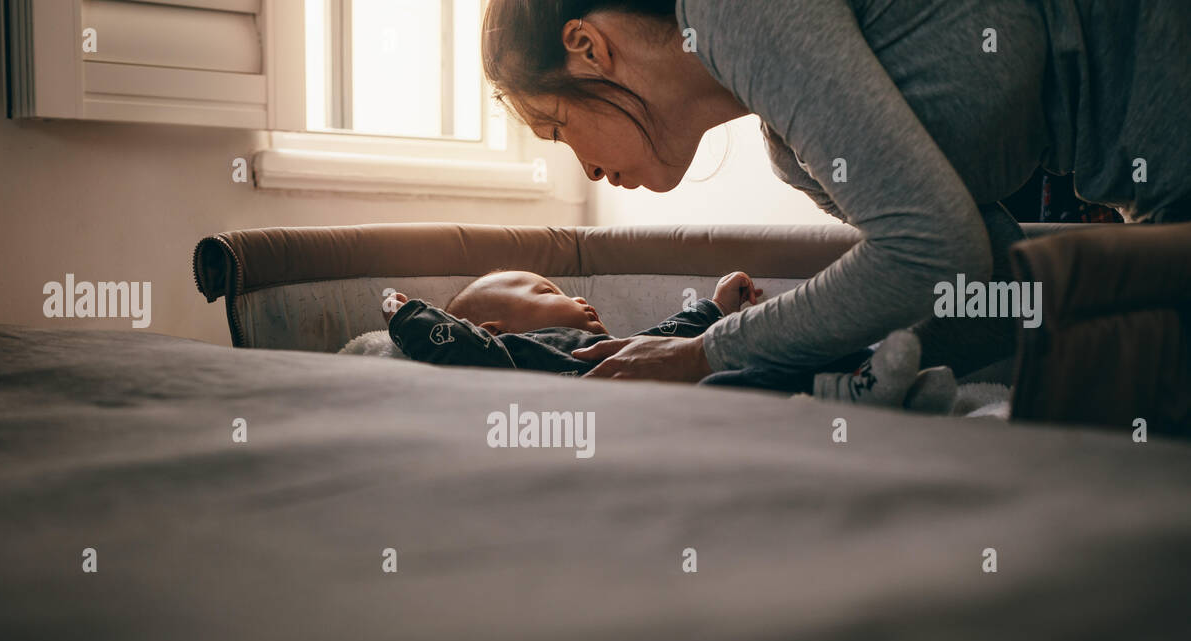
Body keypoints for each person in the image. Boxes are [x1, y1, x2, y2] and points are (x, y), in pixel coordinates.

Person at [480, 0, 1191, 383]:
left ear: (587, 46)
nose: (588, 171)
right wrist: (767, 371)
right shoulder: (796, 157)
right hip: (1155, 183)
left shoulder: (731, 12)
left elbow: (933, 254)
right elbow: (980, 294)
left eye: (557, 127)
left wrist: (706, 354)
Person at [381, 271, 957, 410]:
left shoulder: (622, 345)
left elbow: (667, 342)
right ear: (494, 331)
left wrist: (714, 307)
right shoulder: (512, 358)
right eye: (543, 288)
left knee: (765, 354)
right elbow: (450, 346)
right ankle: (861, 388)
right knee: (734, 384)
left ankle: (873, 379)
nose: (579, 299)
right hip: (694, 397)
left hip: (686, 385)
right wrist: (404, 312)